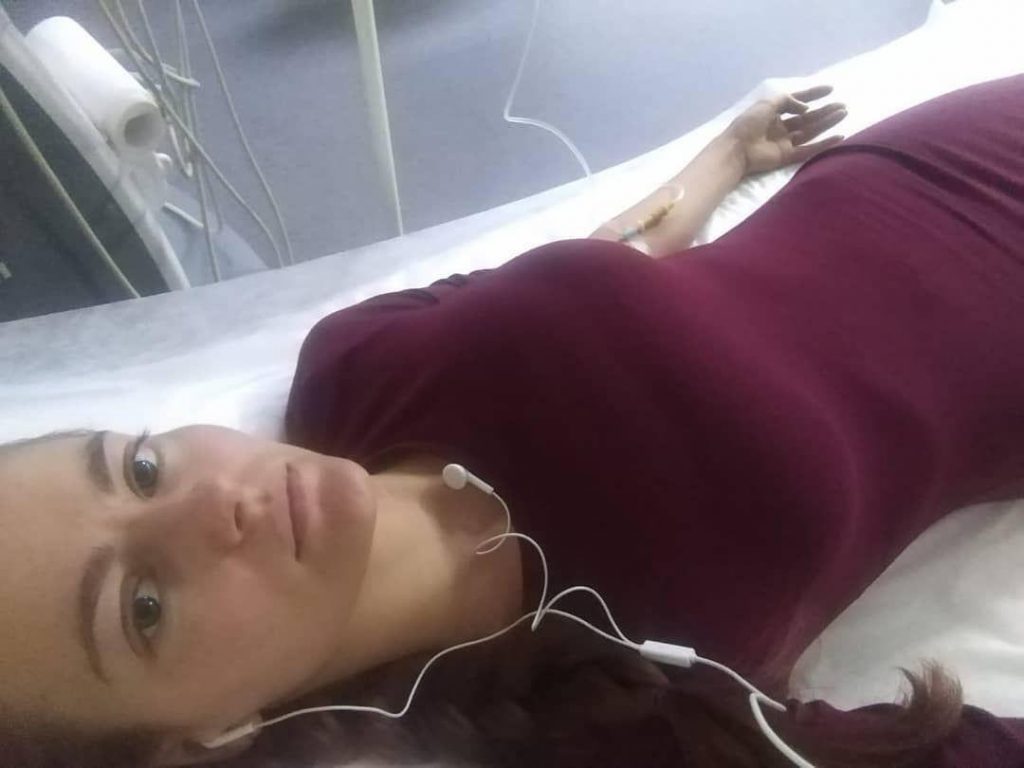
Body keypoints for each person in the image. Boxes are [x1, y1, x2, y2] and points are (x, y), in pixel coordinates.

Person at [1, 75, 1023, 768]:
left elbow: (612, 256)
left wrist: (726, 154)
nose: (209, 505)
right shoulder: (611, 705)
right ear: (196, 741)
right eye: (144, 605)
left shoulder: (353, 367)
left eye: (139, 470)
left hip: (922, 161)